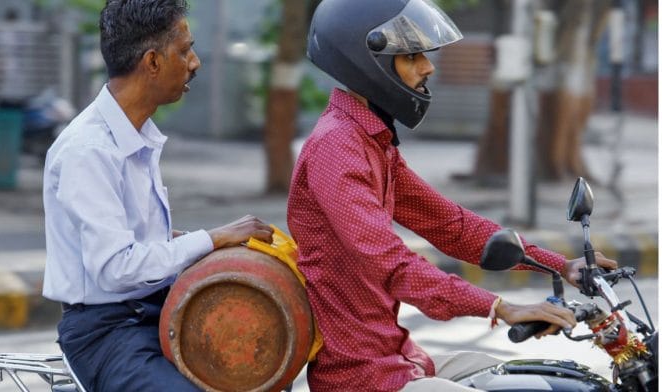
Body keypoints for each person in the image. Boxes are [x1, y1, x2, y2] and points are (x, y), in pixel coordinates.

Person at [286, 0, 618, 391]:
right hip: (363, 376)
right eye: (411, 56)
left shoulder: (370, 141)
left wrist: (559, 266)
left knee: (541, 380)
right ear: (365, 61)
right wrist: (500, 307)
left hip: (400, 358)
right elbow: (392, 264)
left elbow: (450, 225)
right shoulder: (337, 147)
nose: (427, 67)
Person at [41, 1, 273, 390]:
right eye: (184, 51)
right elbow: (116, 269)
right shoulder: (89, 150)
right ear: (152, 62)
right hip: (109, 335)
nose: (195, 63)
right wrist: (211, 238)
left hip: (156, 313)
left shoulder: (138, 136)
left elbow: (137, 244)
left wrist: (202, 245)